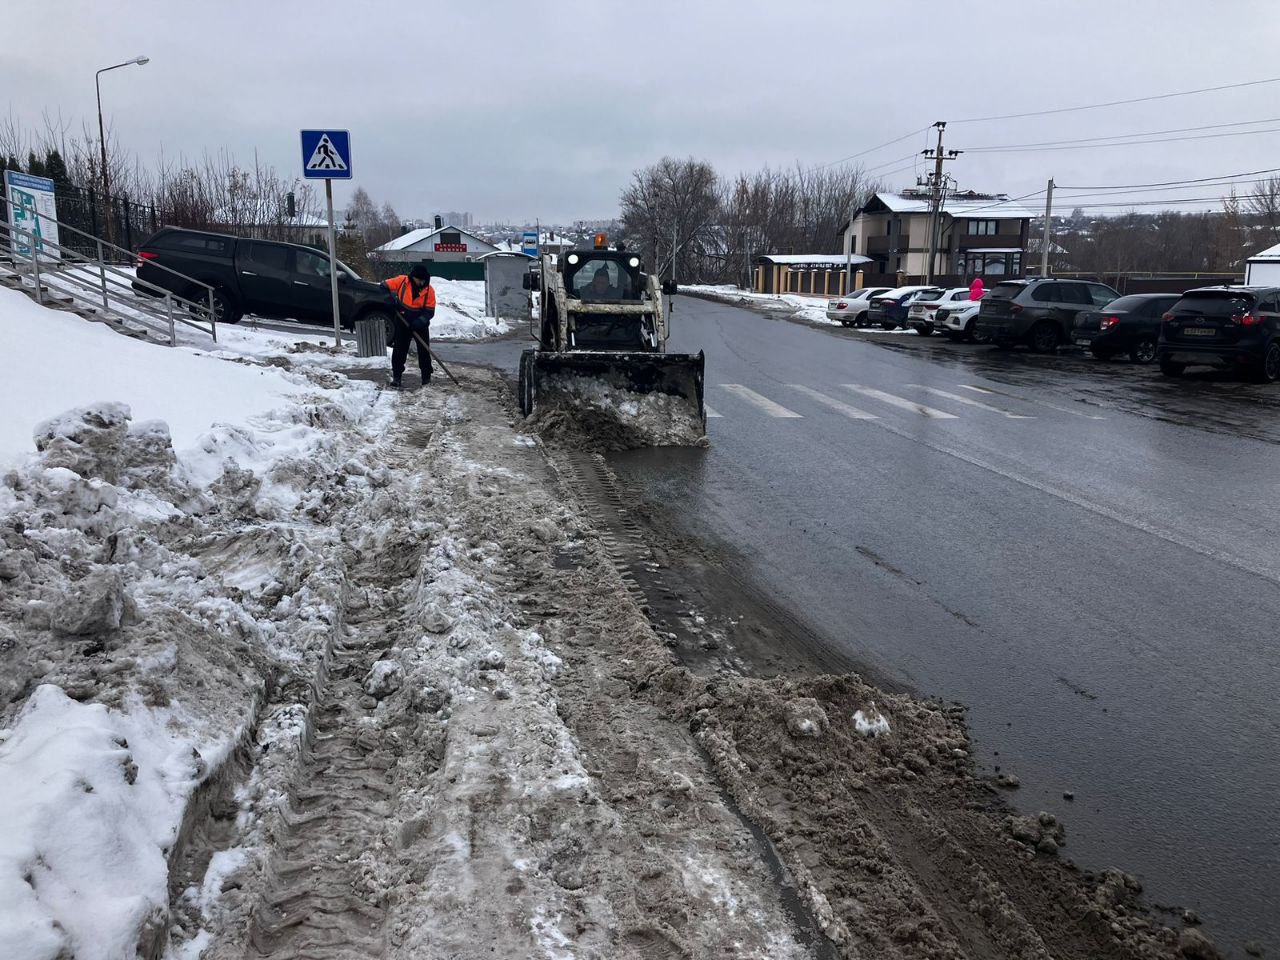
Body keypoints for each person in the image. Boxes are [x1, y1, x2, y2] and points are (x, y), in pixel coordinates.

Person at [382, 264, 436, 389]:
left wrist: (419, 322)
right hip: (402, 320)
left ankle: (426, 378)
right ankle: (397, 377)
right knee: (400, 349)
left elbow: (429, 312)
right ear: (413, 277)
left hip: (420, 324)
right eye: (419, 279)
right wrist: (389, 299)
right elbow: (383, 286)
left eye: (423, 280)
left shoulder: (429, 290)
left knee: (424, 351)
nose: (421, 282)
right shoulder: (402, 281)